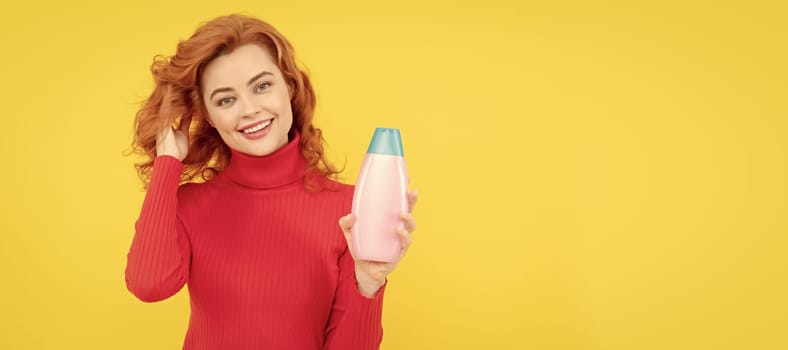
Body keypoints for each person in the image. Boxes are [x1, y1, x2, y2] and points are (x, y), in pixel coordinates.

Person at [125, 14, 418, 350]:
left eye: (262, 86)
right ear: (208, 115)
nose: (249, 109)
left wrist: (368, 281)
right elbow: (149, 286)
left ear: (289, 86)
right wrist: (167, 162)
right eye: (226, 100)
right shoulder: (189, 205)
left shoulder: (350, 210)